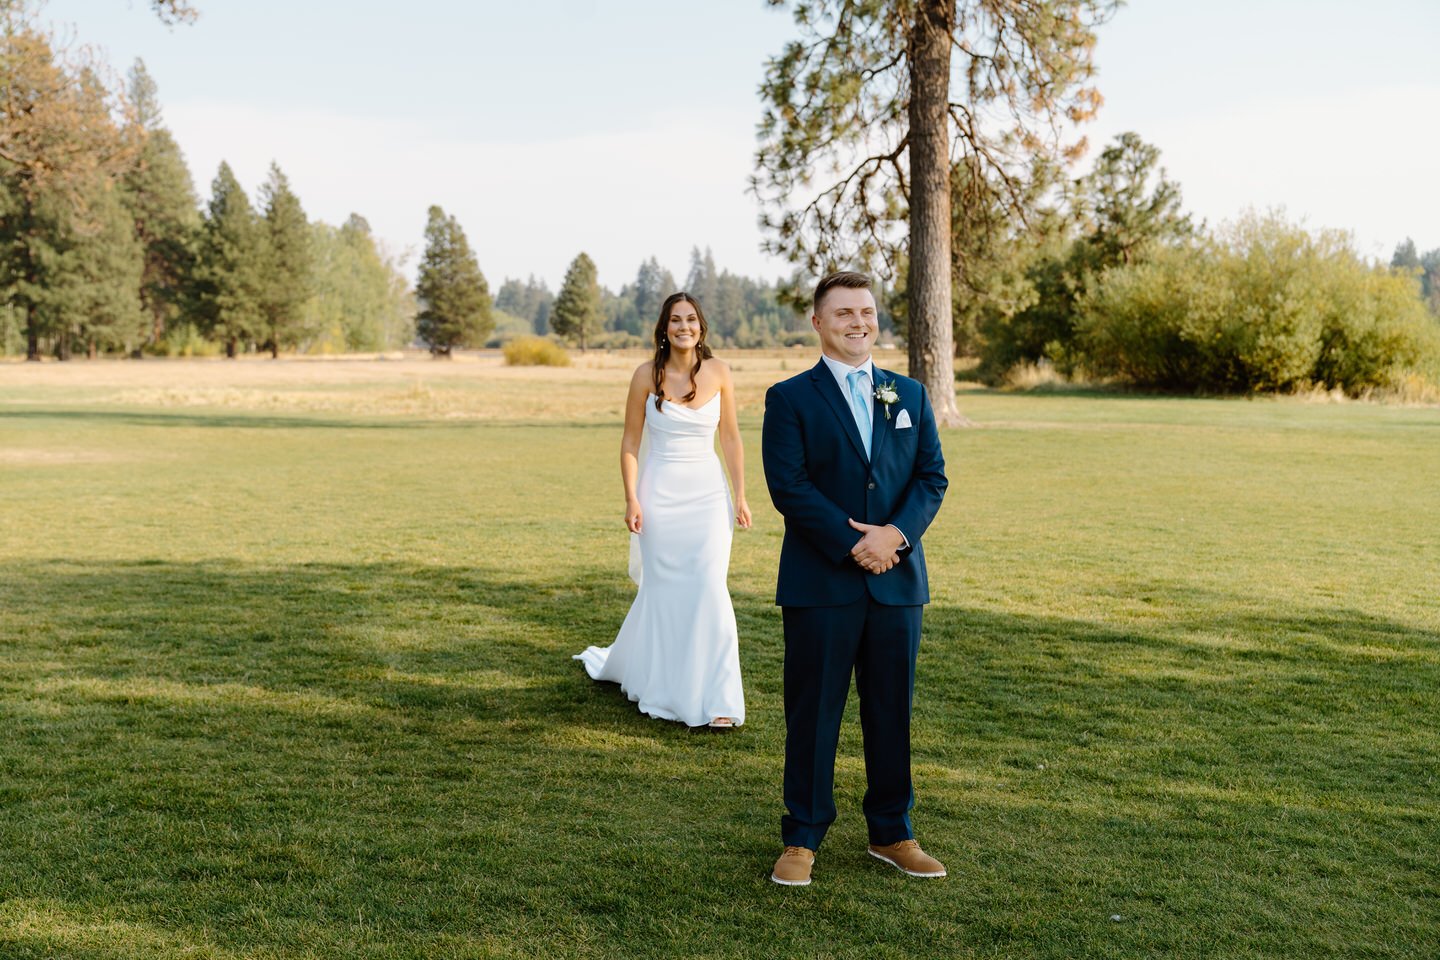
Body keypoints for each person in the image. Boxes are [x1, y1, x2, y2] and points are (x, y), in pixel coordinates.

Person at [761, 270, 948, 886]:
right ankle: (802, 838)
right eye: (842, 313)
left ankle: (893, 833)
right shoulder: (789, 398)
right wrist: (854, 543)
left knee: (891, 709)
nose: (857, 322)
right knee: (813, 712)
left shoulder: (909, 395)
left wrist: (894, 537)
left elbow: (930, 479)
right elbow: (789, 487)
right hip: (822, 582)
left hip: (897, 579)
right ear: (817, 322)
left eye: (866, 311)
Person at [574, 292, 752, 729]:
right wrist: (632, 498)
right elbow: (630, 443)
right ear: (664, 328)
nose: (684, 327)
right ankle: (664, 685)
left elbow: (730, 438)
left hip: (709, 497)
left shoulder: (720, 372)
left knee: (710, 587)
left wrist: (741, 495)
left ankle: (719, 699)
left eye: (691, 319)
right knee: (665, 591)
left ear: (702, 326)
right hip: (659, 496)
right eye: (676, 320)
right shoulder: (644, 375)